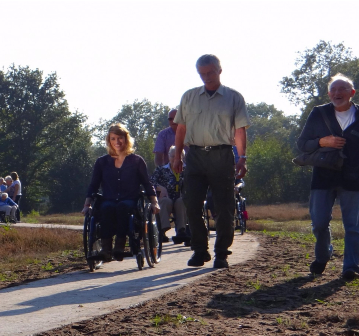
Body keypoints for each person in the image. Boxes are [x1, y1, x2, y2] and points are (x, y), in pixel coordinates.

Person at [296, 73, 359, 281]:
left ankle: (351, 267)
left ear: (352, 93)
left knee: (353, 225)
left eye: (342, 89)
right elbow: (303, 144)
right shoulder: (318, 113)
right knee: (319, 223)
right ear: (329, 94)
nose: (337, 93)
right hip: (323, 176)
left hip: (353, 177)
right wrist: (323, 142)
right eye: (333, 90)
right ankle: (323, 255)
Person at [172, 54, 250, 269]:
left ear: (219, 70)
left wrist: (242, 158)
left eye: (210, 72)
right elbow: (181, 128)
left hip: (222, 156)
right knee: (191, 204)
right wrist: (177, 156)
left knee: (224, 207)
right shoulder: (189, 97)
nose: (206, 77)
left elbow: (240, 130)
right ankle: (199, 250)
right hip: (195, 155)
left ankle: (222, 253)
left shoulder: (234, 98)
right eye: (202, 74)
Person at [83, 123, 160, 262]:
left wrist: (154, 202)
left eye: (120, 138)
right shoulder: (102, 162)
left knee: (122, 208)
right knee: (106, 209)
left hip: (129, 200)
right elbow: (93, 185)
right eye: (113, 138)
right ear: (109, 140)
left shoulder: (136, 161)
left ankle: (119, 246)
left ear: (126, 139)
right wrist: (87, 205)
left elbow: (147, 183)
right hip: (108, 199)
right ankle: (105, 249)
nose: (117, 142)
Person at [150, 145, 187, 242]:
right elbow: (151, 182)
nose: (174, 158)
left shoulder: (187, 170)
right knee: (165, 201)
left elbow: (195, 183)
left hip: (182, 198)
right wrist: (160, 188)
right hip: (166, 197)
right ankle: (162, 230)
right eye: (172, 156)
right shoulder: (161, 170)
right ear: (168, 156)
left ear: (182, 157)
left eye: (177, 156)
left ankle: (181, 231)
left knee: (181, 201)